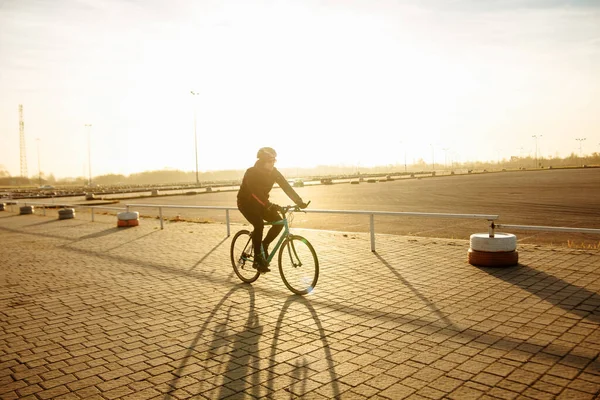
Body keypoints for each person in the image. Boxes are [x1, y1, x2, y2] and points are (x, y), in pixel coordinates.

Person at [237, 147, 308, 273]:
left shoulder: (274, 172)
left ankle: (264, 245)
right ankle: (257, 259)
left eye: (274, 161)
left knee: (279, 222)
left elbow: (286, 186)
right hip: (246, 203)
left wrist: (299, 201)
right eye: (270, 161)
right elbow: (256, 192)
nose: (273, 164)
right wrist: (268, 204)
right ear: (263, 161)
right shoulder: (251, 172)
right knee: (258, 225)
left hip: (262, 204)